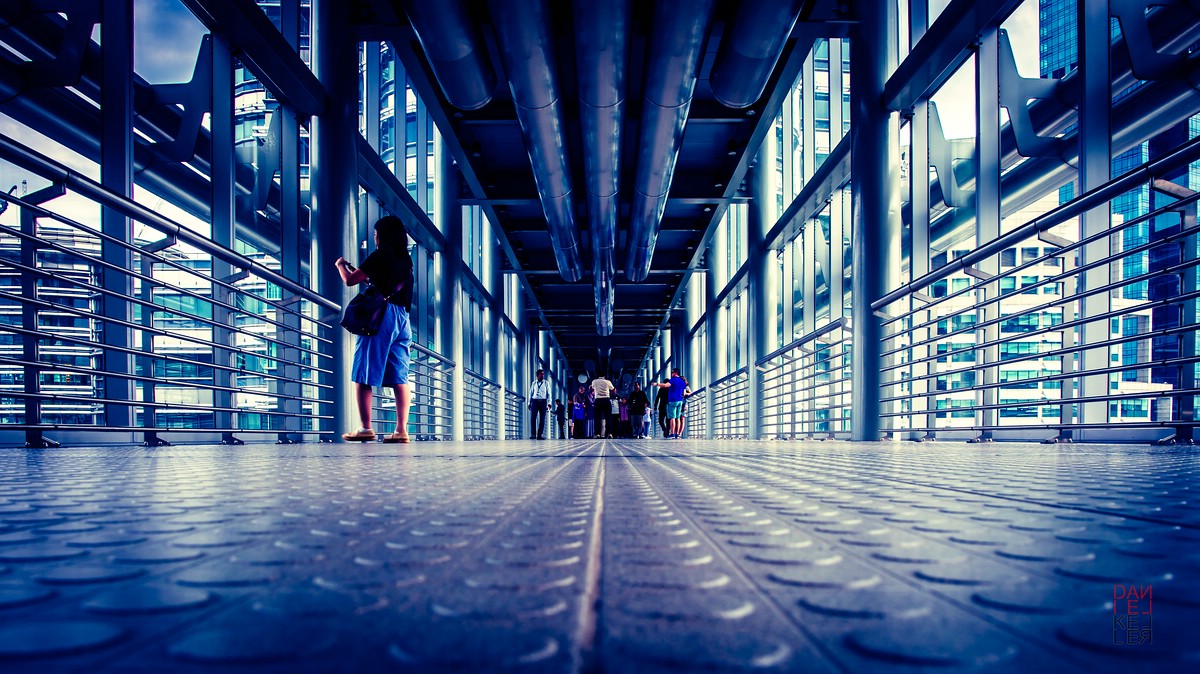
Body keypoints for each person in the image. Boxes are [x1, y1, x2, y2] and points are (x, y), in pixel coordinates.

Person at [336, 215, 414, 443]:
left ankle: (365, 428)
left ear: (381, 235)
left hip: (382, 318)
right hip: (402, 319)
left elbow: (350, 280)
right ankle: (401, 430)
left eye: (375, 233)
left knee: (362, 372)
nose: (374, 237)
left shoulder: (380, 255)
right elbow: (386, 286)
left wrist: (341, 265)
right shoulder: (406, 261)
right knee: (400, 376)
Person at [652, 368, 688, 439]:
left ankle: (672, 434)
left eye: (672, 372)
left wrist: (657, 384)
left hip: (672, 401)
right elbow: (684, 393)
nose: (671, 374)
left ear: (675, 373)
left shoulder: (672, 380)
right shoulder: (682, 382)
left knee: (672, 418)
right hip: (680, 401)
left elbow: (666, 385)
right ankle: (677, 434)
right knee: (677, 418)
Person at [590, 373, 615, 438]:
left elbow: (592, 388)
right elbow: (613, 389)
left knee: (597, 417)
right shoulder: (608, 382)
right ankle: (609, 433)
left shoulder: (594, 381)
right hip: (606, 400)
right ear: (604, 376)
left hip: (598, 400)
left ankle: (597, 434)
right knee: (608, 417)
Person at [528, 368, 550, 439]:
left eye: (543, 374)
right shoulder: (534, 383)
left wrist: (549, 403)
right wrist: (529, 403)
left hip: (543, 401)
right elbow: (530, 393)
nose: (542, 375)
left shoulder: (546, 383)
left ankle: (540, 434)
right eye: (541, 374)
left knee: (542, 418)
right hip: (535, 401)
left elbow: (549, 394)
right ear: (537, 375)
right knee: (533, 418)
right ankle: (533, 434)